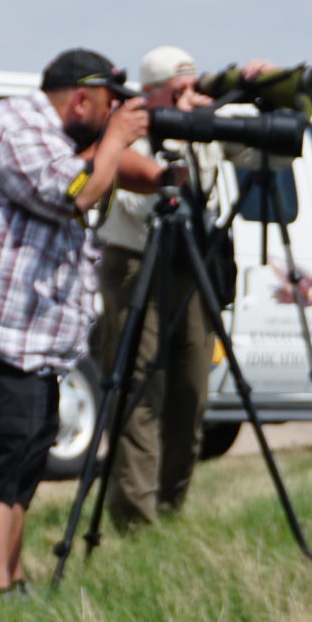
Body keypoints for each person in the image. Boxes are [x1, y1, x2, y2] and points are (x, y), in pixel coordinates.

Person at [0, 49, 146, 592]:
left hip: (23, 345)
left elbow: (97, 181)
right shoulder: (14, 123)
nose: (114, 118)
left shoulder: (53, 138)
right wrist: (115, 141)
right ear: (82, 97)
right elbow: (74, 193)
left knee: (21, 463)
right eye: (111, 106)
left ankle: (10, 583)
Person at [90, 46, 221, 530]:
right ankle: (134, 518)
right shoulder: (130, 133)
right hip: (135, 262)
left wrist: (247, 96)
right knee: (138, 387)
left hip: (187, 265)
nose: (188, 99)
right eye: (177, 91)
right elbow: (141, 208)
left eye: (193, 87)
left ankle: (171, 506)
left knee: (191, 388)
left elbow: (259, 154)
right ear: (150, 93)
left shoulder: (201, 129)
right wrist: (176, 149)